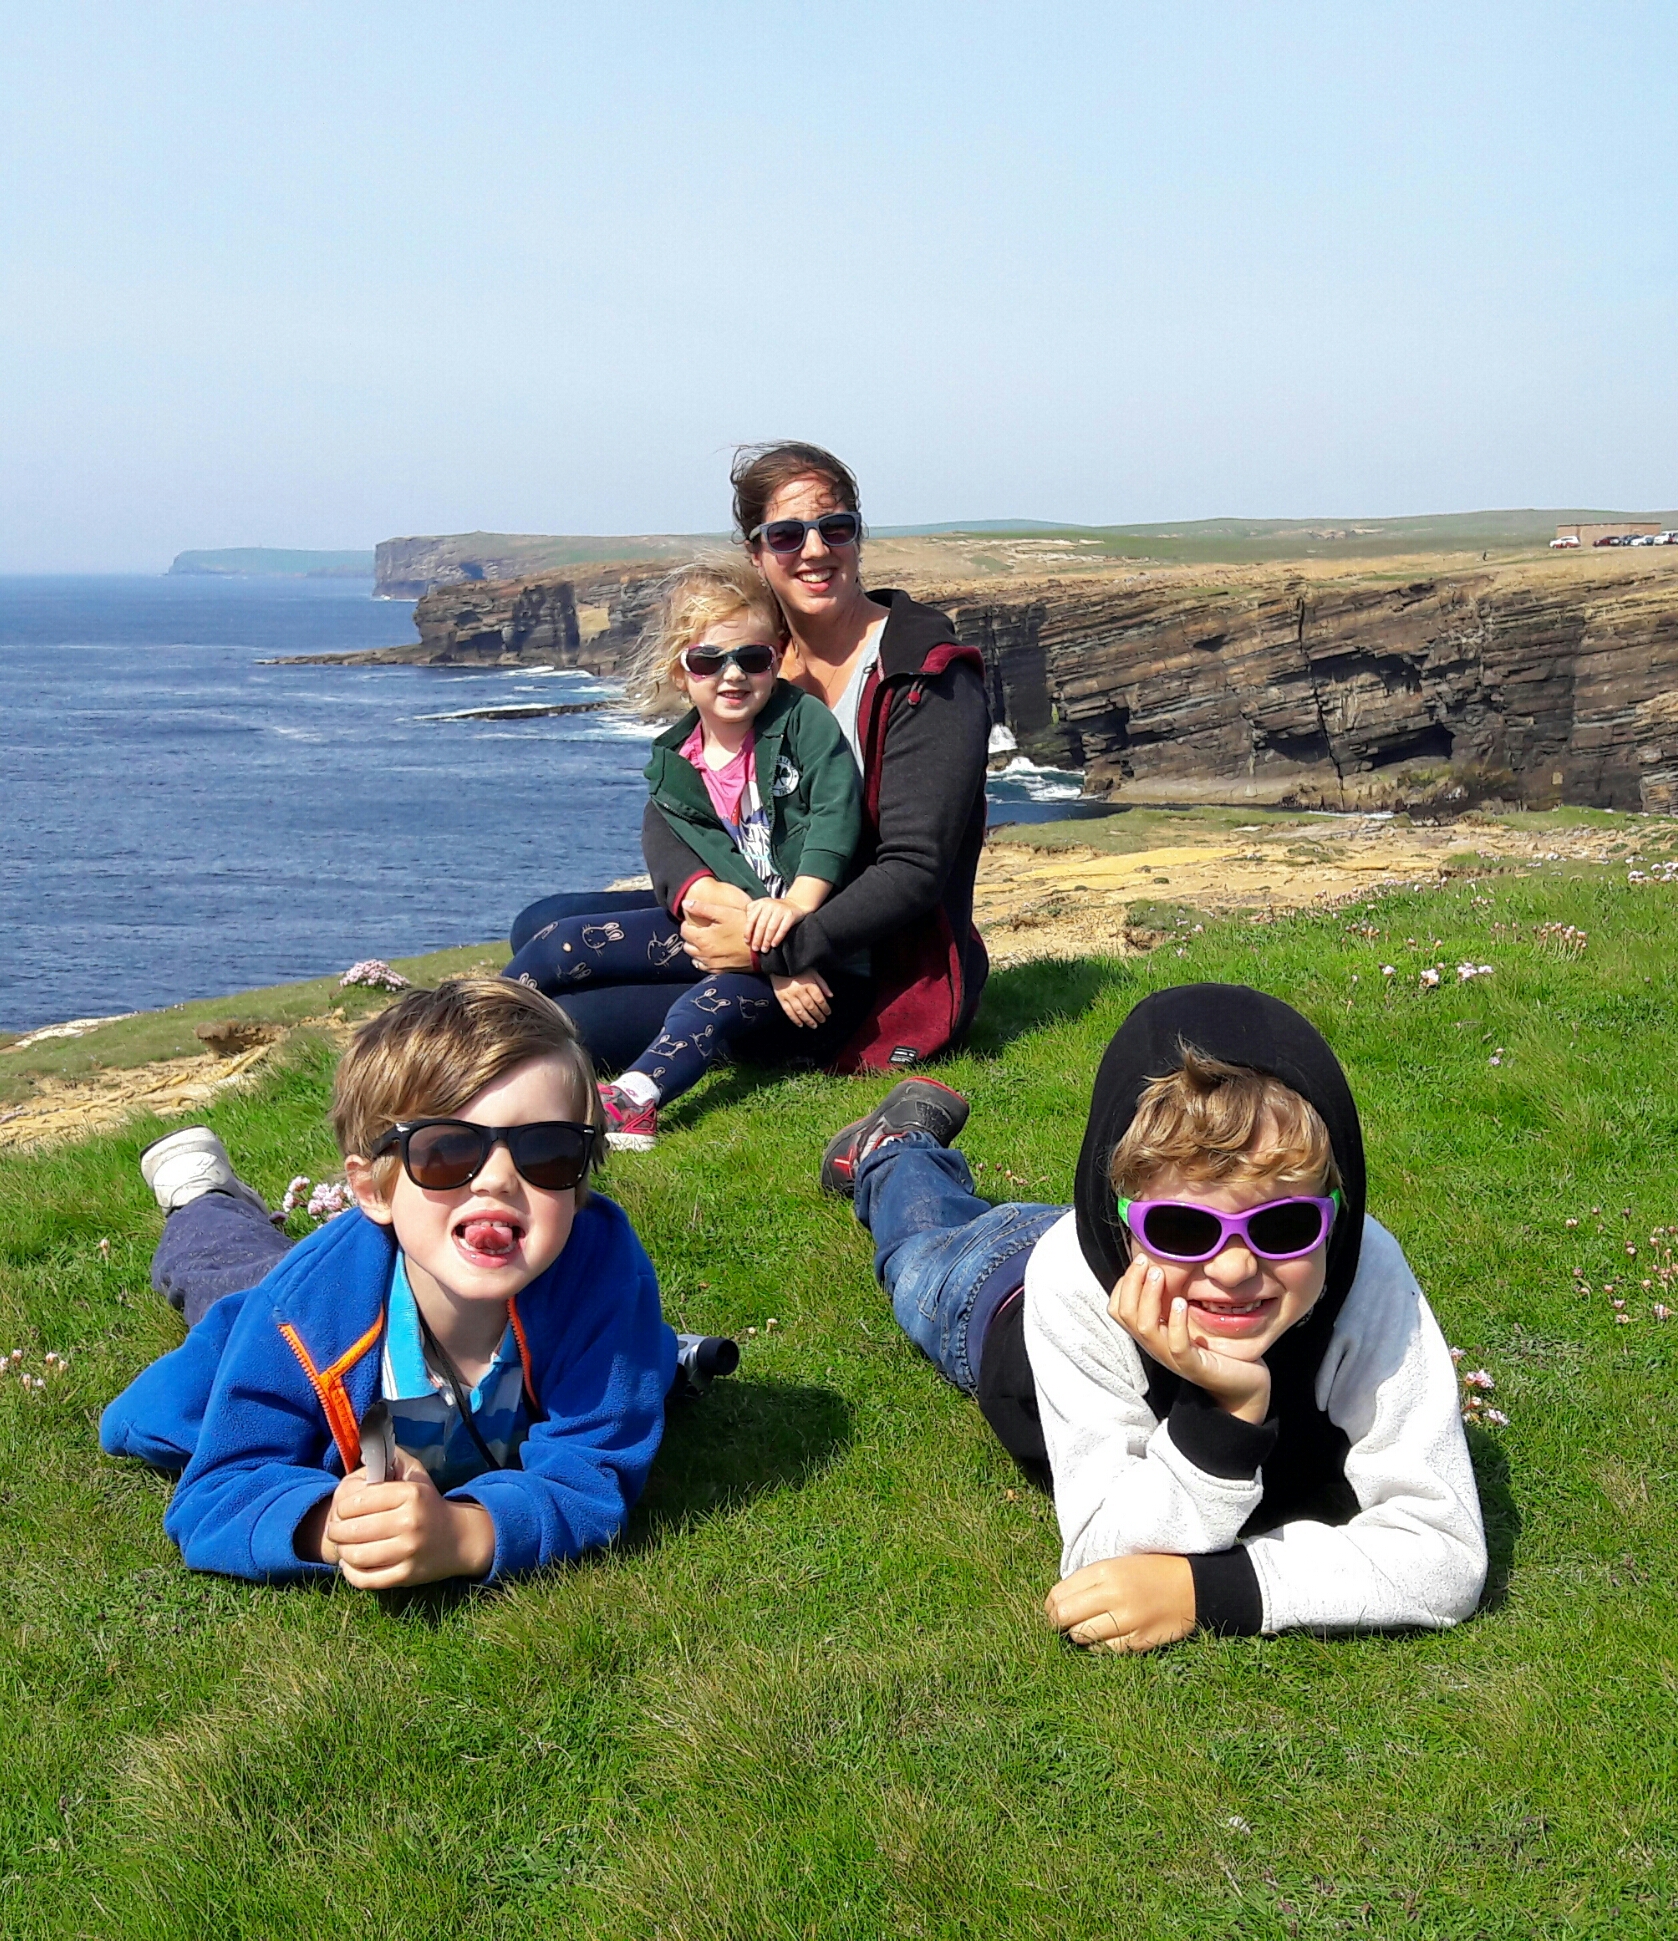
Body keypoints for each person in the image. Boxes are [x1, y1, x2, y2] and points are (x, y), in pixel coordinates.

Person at [821, 984, 1488, 1649]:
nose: (1234, 1268)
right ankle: (893, 1148)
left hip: (1135, 1247)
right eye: (1185, 1226)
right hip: (1000, 1288)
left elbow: (1447, 1553)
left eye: (1283, 1225)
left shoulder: (1364, 1264)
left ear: (1336, 1213)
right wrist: (1224, 1417)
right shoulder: (1069, 1283)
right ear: (1123, 1225)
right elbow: (1102, 1555)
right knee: (918, 1248)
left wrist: (1210, 1592)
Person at [100, 978, 677, 1587]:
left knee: (650, 1355)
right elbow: (216, 1494)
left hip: (370, 1271)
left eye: (547, 1150)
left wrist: (467, 1535)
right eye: (447, 1150)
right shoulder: (295, 1318)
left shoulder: (600, 1269)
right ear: (372, 1189)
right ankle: (200, 1197)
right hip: (280, 1309)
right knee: (220, 1282)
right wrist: (332, 1525)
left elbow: (594, 1467)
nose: (499, 1180)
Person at [509, 440, 992, 1080]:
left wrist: (776, 951)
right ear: (756, 553)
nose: (814, 550)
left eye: (835, 527)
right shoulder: (755, 658)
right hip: (757, 907)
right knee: (540, 923)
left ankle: (460, 1058)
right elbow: (677, 796)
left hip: (862, 961)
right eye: (787, 534)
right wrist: (702, 893)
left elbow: (914, 869)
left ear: (858, 536)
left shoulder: (925, 675)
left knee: (575, 1023)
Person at [503, 559, 861, 1148]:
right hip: (730, 929)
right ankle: (465, 1038)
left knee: (709, 1004)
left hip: (816, 961)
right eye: (708, 661)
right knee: (558, 942)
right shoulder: (676, 762)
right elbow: (674, 849)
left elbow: (835, 817)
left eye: (752, 658)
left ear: (776, 659)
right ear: (680, 670)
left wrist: (797, 912)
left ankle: (635, 1099)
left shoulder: (804, 725)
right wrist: (731, 918)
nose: (732, 675)